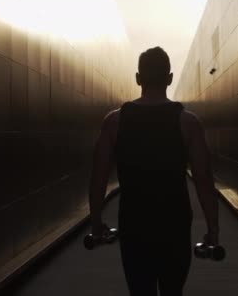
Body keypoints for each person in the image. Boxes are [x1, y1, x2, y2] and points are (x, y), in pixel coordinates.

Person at [88, 46, 220, 296]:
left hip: (134, 225)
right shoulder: (188, 123)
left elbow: (98, 179)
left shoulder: (114, 122)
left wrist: (96, 222)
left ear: (138, 78)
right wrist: (213, 228)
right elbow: (204, 182)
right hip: (175, 225)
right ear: (169, 78)